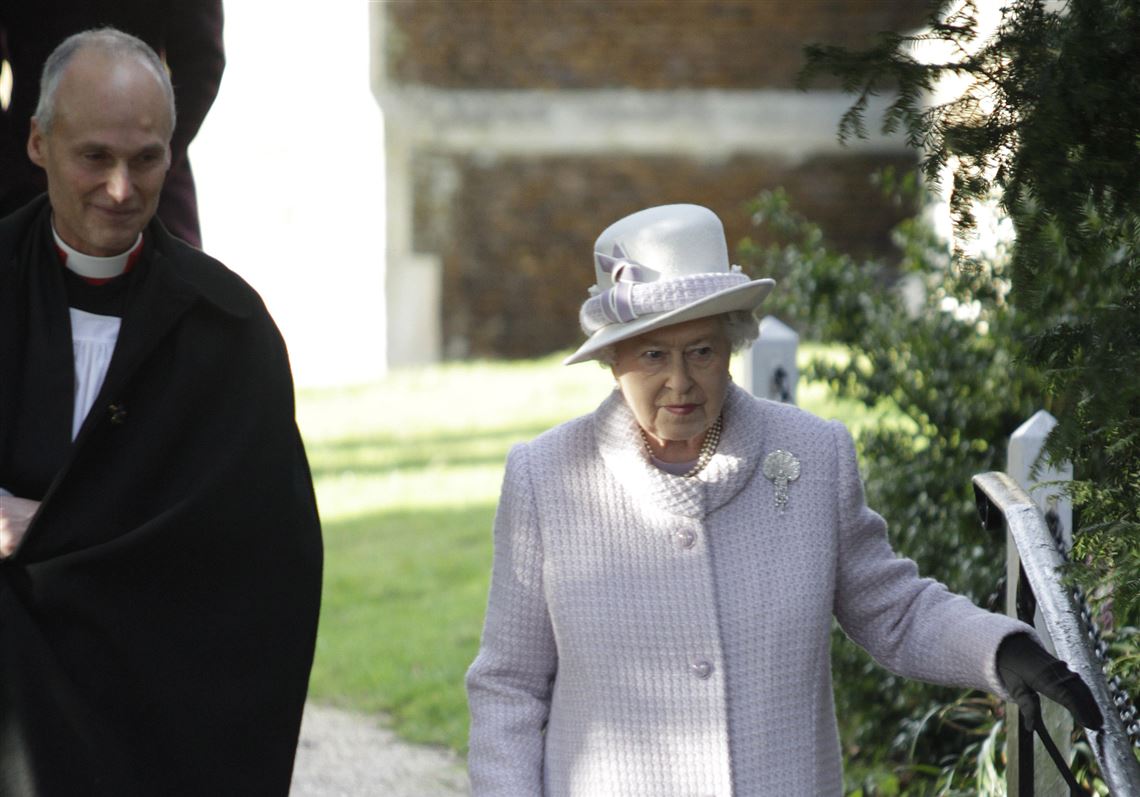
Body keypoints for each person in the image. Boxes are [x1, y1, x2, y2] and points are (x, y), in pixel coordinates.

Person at [465, 204, 1102, 795]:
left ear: (732, 346)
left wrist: (1000, 647)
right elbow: (509, 687)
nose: (680, 381)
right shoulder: (546, 475)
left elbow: (893, 609)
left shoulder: (812, 453)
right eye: (653, 355)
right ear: (613, 361)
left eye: (702, 352)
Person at [0, 28, 321, 795]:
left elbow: (267, 564)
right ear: (39, 143)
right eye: (95, 157)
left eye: (146, 159)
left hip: (151, 713)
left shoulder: (228, 330)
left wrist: (56, 531)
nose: (121, 189)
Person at [0, 0, 224, 247]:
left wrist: (152, 157)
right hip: (26, 165)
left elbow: (201, 64)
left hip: (146, 159)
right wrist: (14, 167)